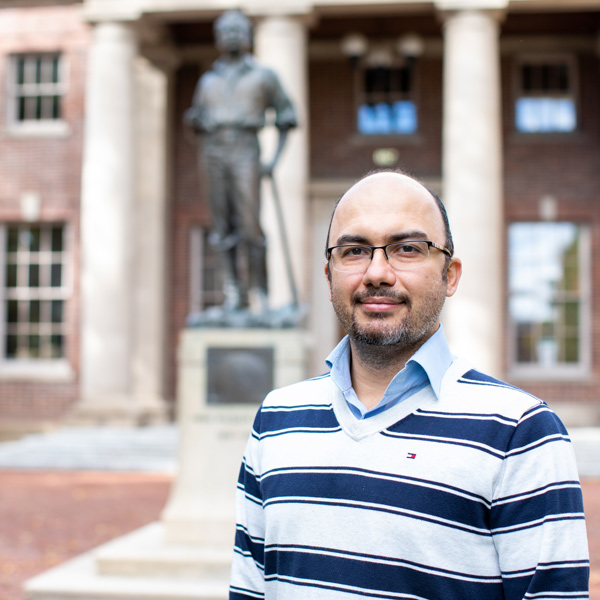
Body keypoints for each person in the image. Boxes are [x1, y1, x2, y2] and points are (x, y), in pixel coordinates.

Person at [229, 170, 589, 599]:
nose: (377, 272)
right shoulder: (277, 417)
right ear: (329, 276)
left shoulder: (520, 432)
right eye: (355, 250)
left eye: (408, 249)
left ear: (450, 275)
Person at [184, 10, 297, 312]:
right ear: (219, 38)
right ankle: (233, 294)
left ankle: (260, 293)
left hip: (246, 147)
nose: (232, 36)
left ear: (247, 36)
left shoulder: (263, 76)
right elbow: (197, 119)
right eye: (226, 31)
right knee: (221, 227)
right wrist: (195, 121)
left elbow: (287, 117)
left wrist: (273, 160)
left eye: (238, 30)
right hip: (212, 150)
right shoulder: (208, 81)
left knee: (250, 227)